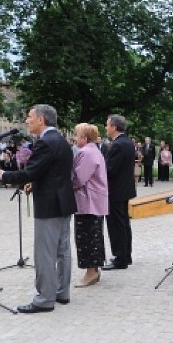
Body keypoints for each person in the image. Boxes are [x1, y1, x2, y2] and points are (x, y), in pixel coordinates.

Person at [0, 104, 76, 313]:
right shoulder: (62, 141)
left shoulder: (46, 142)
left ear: (41, 120)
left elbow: (29, 172)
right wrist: (36, 182)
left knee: (45, 252)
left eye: (29, 117)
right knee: (62, 250)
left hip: (49, 204)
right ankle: (61, 292)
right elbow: (52, 172)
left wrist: (2, 176)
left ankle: (45, 298)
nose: (27, 121)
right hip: (63, 201)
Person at [71, 123, 109, 287]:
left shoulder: (86, 152)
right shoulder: (94, 150)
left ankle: (91, 271)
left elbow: (79, 178)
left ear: (84, 138)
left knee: (87, 236)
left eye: (76, 135)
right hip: (93, 201)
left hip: (88, 201)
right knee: (93, 235)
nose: (74, 138)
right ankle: (93, 270)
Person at [102, 114, 136, 271]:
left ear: (114, 127)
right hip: (125, 189)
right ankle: (126, 255)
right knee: (124, 224)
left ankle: (120, 258)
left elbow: (110, 170)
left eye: (107, 125)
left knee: (116, 225)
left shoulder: (117, 145)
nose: (106, 127)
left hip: (115, 190)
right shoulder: (127, 142)